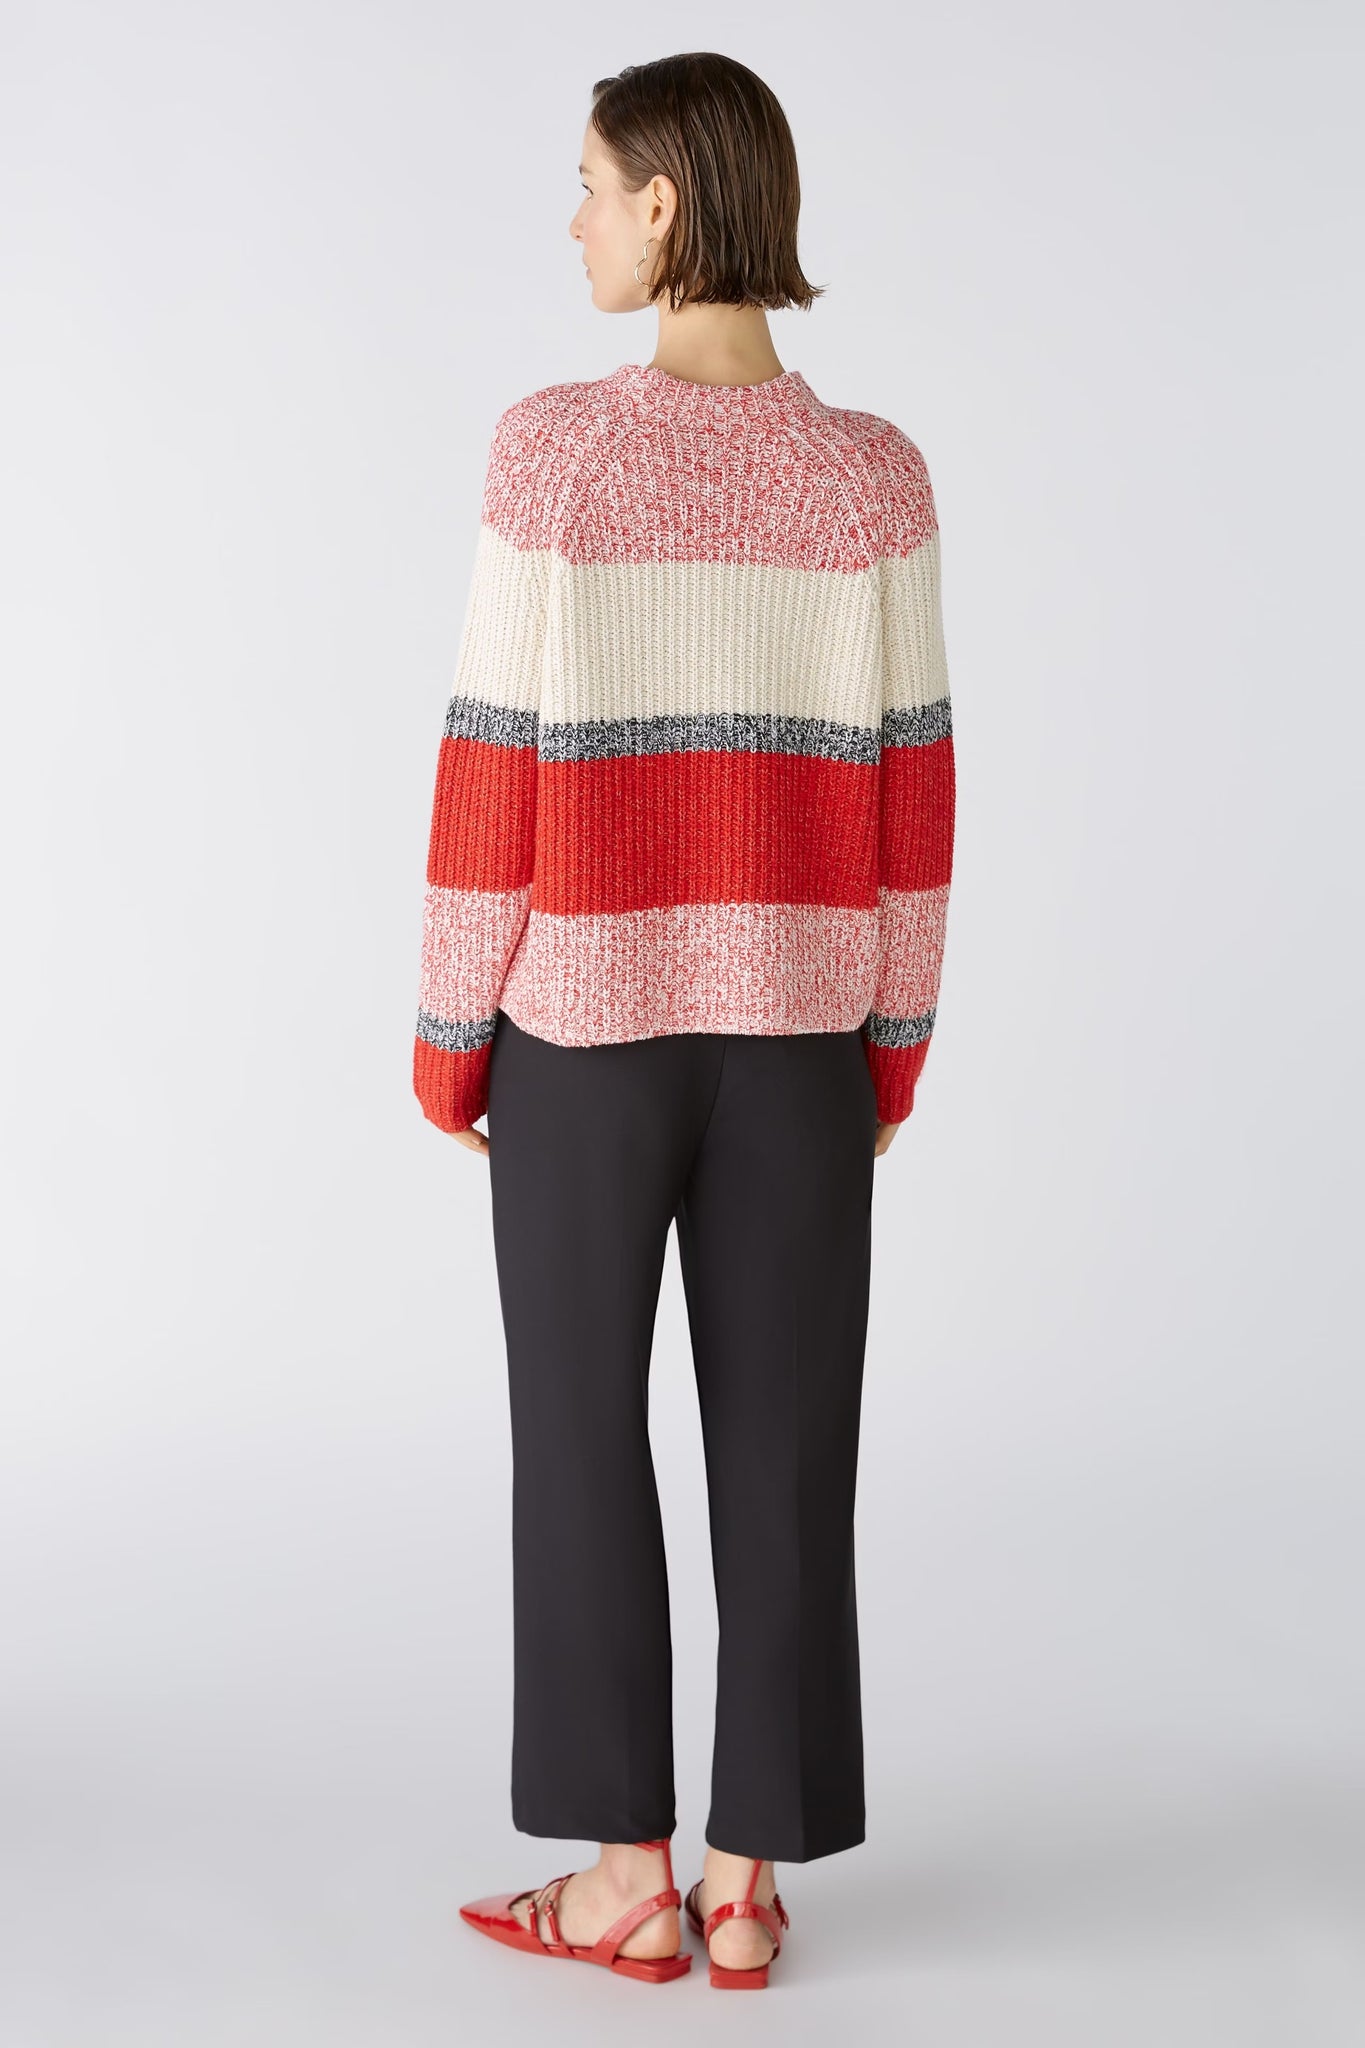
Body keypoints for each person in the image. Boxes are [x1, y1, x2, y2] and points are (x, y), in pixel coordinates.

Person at [412, 50, 955, 1991]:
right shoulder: (872, 474)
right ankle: (744, 1884)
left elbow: (489, 763)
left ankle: (621, 1876)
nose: (570, 220)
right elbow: (913, 793)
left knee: (577, 1439)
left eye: (587, 184)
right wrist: (892, 1049)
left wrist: (444, 1039)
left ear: (661, 207)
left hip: (580, 1035)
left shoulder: (548, 452)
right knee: (791, 1455)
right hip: (801, 1047)